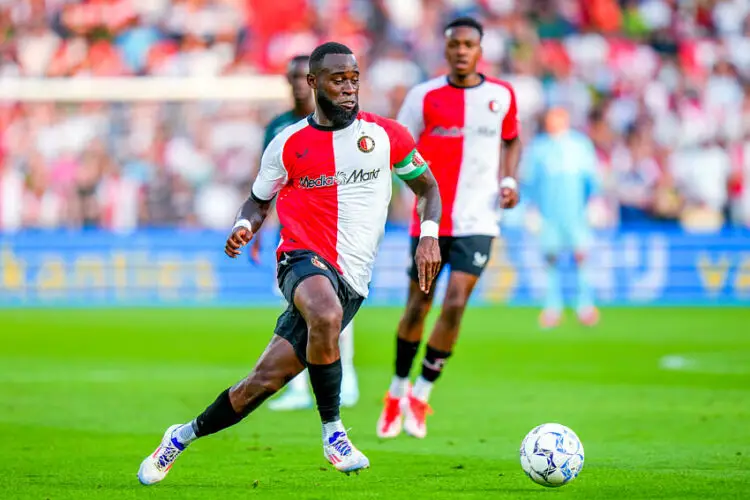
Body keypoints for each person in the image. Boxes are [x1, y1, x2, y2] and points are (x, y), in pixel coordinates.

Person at [137, 42, 442, 484]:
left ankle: (180, 437)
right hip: (300, 258)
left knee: (258, 385)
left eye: (354, 78)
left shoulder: (387, 136)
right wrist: (245, 225)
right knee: (325, 311)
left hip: (353, 277)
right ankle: (334, 433)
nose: (349, 87)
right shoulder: (287, 143)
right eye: (338, 79)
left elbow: (428, 189)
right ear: (313, 83)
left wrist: (428, 238)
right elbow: (258, 201)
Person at [376, 16, 522, 440]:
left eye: (468, 44)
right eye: (454, 44)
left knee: (455, 303)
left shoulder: (501, 95)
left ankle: (421, 394)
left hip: (479, 218)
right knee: (419, 306)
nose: (461, 50)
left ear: (480, 50)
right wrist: (414, 197)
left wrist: (508, 180)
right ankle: (396, 390)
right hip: (431, 222)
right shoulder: (423, 96)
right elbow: (399, 147)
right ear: (445, 49)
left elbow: (512, 138)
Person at [253, 54, 359, 412]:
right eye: (293, 77)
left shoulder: (341, 121)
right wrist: (256, 228)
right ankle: (299, 386)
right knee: (302, 307)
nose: (299, 84)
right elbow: (268, 184)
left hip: (335, 229)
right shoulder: (278, 128)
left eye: (304, 77)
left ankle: (347, 375)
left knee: (334, 306)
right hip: (295, 236)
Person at [521, 107, 601, 328]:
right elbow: (530, 182)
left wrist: (594, 203)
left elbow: (591, 178)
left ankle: (585, 305)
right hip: (549, 215)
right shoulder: (539, 148)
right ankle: (552, 307)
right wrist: (531, 209)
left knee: (582, 257)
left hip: (576, 214)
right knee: (550, 260)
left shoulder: (580, 145)